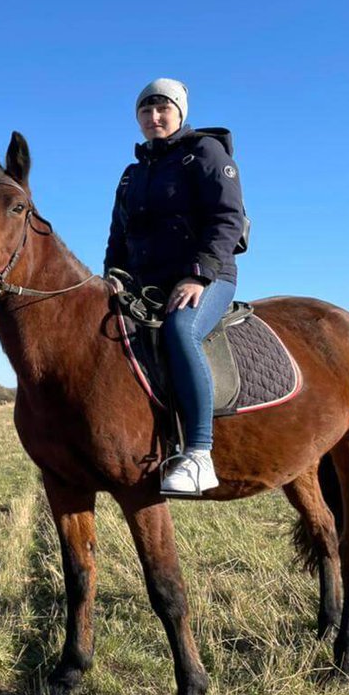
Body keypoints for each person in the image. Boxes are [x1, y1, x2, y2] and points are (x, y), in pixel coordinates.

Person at [103, 78, 247, 496]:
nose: (154, 117)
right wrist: (113, 275)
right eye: (146, 111)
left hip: (207, 276)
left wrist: (198, 273)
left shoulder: (204, 153)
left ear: (180, 113)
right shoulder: (131, 176)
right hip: (144, 284)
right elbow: (118, 237)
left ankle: (199, 454)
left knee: (179, 330)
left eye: (163, 108)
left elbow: (227, 217)